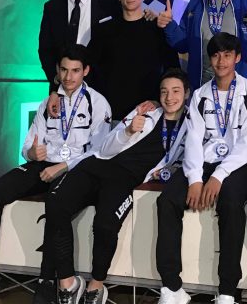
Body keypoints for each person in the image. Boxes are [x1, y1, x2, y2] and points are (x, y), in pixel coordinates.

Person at [0, 45, 111, 304]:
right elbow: (27, 145)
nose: (68, 77)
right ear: (57, 70)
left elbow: (98, 152)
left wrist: (63, 166)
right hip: (43, 165)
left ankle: (46, 282)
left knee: (55, 203)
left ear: (86, 71)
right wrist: (32, 153)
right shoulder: (48, 103)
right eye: (64, 70)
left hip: (76, 170)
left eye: (75, 71)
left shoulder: (98, 103)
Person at [42, 68, 190, 304]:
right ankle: (67, 283)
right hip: (97, 165)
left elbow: (188, 159)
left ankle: (96, 285)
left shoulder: (191, 124)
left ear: (186, 94)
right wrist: (129, 130)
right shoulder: (146, 112)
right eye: (164, 91)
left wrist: (167, 172)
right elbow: (105, 147)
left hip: (125, 180)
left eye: (176, 91)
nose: (169, 97)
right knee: (55, 203)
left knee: (104, 224)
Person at [156, 33, 247, 304]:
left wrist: (218, 176)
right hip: (204, 163)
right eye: (216, 55)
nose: (221, 61)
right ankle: (172, 288)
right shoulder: (201, 95)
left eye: (227, 55)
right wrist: (195, 179)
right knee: (167, 200)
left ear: (237, 58)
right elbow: (193, 139)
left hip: (240, 165)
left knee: (230, 203)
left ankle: (227, 291)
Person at [89, 0, 180, 120]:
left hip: (149, 112)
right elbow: (91, 69)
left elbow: (172, 69)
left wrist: (158, 100)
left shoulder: (158, 29)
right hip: (110, 113)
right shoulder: (104, 30)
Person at [38, 0, 121, 96]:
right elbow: (45, 49)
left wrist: (151, 16)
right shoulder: (52, 7)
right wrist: (57, 78)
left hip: (104, 87)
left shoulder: (111, 3)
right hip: (63, 88)